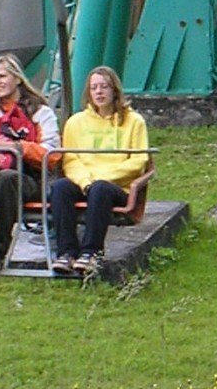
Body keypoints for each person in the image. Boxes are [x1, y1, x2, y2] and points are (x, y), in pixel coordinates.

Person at [47, 66, 150, 276]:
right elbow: (71, 160)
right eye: (94, 88)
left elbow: (139, 160)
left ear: (115, 91)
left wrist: (103, 178)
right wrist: (86, 181)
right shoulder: (75, 122)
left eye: (104, 87)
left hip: (115, 187)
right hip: (84, 183)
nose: (99, 92)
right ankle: (66, 252)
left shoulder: (134, 121)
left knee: (101, 189)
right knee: (60, 188)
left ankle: (91, 252)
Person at [0, 55, 57, 271]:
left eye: (3, 76)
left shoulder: (40, 113)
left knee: (7, 177)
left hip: (27, 180)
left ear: (18, 78)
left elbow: (52, 156)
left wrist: (17, 147)